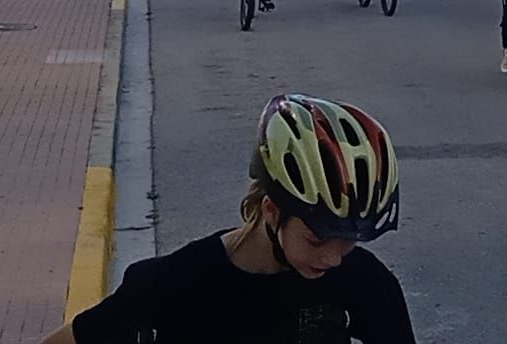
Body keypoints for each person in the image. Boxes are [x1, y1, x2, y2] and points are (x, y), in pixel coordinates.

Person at [41, 92, 413, 344]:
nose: (333, 258)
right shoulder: (176, 282)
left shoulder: (365, 282)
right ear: (271, 210)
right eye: (317, 239)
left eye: (348, 242)